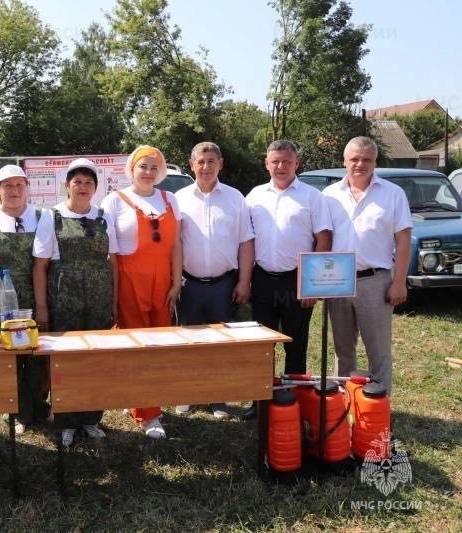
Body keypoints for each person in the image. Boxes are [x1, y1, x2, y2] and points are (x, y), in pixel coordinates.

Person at [33, 158, 119, 447]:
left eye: (88, 182)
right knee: (65, 361)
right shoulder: (52, 216)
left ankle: (91, 418)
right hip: (64, 298)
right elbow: (40, 266)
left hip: (99, 299)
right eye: (77, 182)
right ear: (67, 185)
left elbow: (113, 262)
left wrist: (114, 301)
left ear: (95, 187)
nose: (83, 187)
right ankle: (67, 421)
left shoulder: (104, 216)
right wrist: (42, 308)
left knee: (96, 359)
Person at [244, 140, 332, 418]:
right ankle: (260, 402)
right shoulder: (254, 196)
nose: (281, 166)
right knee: (262, 346)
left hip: (296, 280)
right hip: (262, 279)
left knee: (296, 343)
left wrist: (311, 284)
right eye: (275, 161)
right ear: (266, 163)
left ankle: (294, 402)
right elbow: (245, 240)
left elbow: (323, 239)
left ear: (297, 163)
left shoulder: (312, 196)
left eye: (287, 161)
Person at [101, 145, 183, 439]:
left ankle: (143, 398)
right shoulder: (115, 200)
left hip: (163, 282)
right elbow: (110, 253)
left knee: (159, 344)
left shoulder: (170, 199)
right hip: (130, 280)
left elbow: (176, 245)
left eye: (153, 167)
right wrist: (114, 292)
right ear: (131, 169)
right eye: (142, 166)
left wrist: (176, 282)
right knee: (137, 345)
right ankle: (148, 415)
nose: (148, 172)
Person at [323, 137, 411, 393]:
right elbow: (321, 239)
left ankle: (379, 406)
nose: (359, 164)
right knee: (342, 350)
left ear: (375, 162)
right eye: (354, 159)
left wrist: (399, 282)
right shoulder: (328, 196)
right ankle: (344, 403)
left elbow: (403, 240)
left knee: (378, 350)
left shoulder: (393, 194)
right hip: (337, 281)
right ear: (344, 161)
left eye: (366, 159)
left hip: (376, 281)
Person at [174, 142, 254, 419]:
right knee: (189, 341)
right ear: (192, 164)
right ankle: (188, 393)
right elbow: (174, 244)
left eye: (211, 161)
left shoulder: (235, 198)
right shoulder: (179, 199)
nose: (206, 166)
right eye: (201, 161)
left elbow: (246, 242)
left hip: (224, 284)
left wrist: (244, 281)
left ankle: (218, 397)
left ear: (220, 164)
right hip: (189, 284)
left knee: (221, 343)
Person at [0, 164, 53, 435]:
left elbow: (43, 262)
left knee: (37, 351)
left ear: (27, 188)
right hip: (1, 292)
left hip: (36, 289)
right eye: (8, 186)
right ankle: (17, 410)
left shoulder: (42, 216)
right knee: (9, 353)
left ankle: (40, 405)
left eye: (19, 185)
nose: (14, 191)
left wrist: (42, 305)